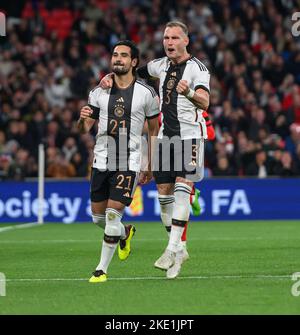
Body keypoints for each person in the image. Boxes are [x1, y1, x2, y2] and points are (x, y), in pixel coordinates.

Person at [100, 21, 210, 279]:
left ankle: (172, 248)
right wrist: (110, 77)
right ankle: (180, 248)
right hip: (164, 139)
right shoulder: (159, 66)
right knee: (164, 197)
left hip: (190, 137)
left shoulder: (198, 69)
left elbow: (205, 102)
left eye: (174, 38)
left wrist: (191, 92)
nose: (169, 42)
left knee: (182, 191)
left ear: (186, 40)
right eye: (166, 38)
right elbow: (131, 70)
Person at [78, 40, 160, 283]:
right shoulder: (98, 91)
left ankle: (101, 270)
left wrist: (150, 163)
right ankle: (125, 232)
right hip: (102, 158)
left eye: (124, 55)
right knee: (98, 218)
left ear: (134, 62)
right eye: (115, 55)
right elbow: (84, 129)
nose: (118, 59)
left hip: (129, 159)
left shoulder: (147, 93)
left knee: (113, 215)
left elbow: (153, 130)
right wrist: (82, 120)